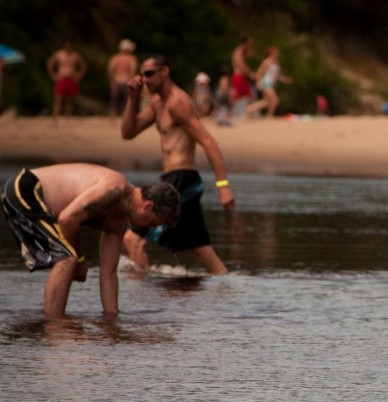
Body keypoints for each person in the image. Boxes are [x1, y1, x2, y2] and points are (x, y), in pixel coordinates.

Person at [1, 163, 179, 318]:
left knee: (66, 258)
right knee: (67, 259)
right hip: (25, 189)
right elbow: (67, 219)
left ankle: (54, 325)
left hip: (35, 201)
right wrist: (80, 259)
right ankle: (54, 327)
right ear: (147, 206)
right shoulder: (115, 188)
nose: (149, 228)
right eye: (152, 222)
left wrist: (111, 320)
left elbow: (108, 273)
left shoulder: (118, 222)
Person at [121, 54, 233, 274]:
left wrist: (223, 186)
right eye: (143, 74)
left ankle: (139, 300)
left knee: (132, 239)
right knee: (201, 251)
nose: (145, 79)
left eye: (150, 73)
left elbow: (208, 141)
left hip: (182, 178)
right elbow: (128, 132)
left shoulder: (177, 103)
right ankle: (227, 291)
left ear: (165, 71)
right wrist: (133, 98)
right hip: (172, 179)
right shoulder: (158, 105)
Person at [247, 46, 292, 118]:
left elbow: (276, 75)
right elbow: (259, 72)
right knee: (275, 100)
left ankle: (251, 109)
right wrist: (258, 82)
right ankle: (269, 115)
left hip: (270, 83)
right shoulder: (266, 62)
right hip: (266, 82)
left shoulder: (276, 62)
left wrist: (285, 79)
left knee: (267, 102)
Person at [47, 39, 87, 118]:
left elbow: (83, 65)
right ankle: (56, 116)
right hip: (61, 77)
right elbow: (50, 64)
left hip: (71, 78)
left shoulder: (75, 55)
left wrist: (78, 75)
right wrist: (53, 75)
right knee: (59, 98)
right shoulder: (59, 54)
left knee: (70, 99)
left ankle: (67, 116)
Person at [107, 39, 137, 117]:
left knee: (114, 104)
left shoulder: (115, 58)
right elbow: (132, 71)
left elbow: (110, 71)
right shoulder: (131, 58)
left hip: (116, 81)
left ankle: (112, 121)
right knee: (125, 104)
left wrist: (112, 82)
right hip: (126, 82)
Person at [230, 37, 257, 119]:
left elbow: (250, 53)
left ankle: (250, 115)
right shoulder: (238, 53)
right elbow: (241, 65)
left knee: (249, 95)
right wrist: (250, 73)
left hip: (241, 77)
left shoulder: (241, 52)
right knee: (236, 96)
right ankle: (224, 113)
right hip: (238, 77)